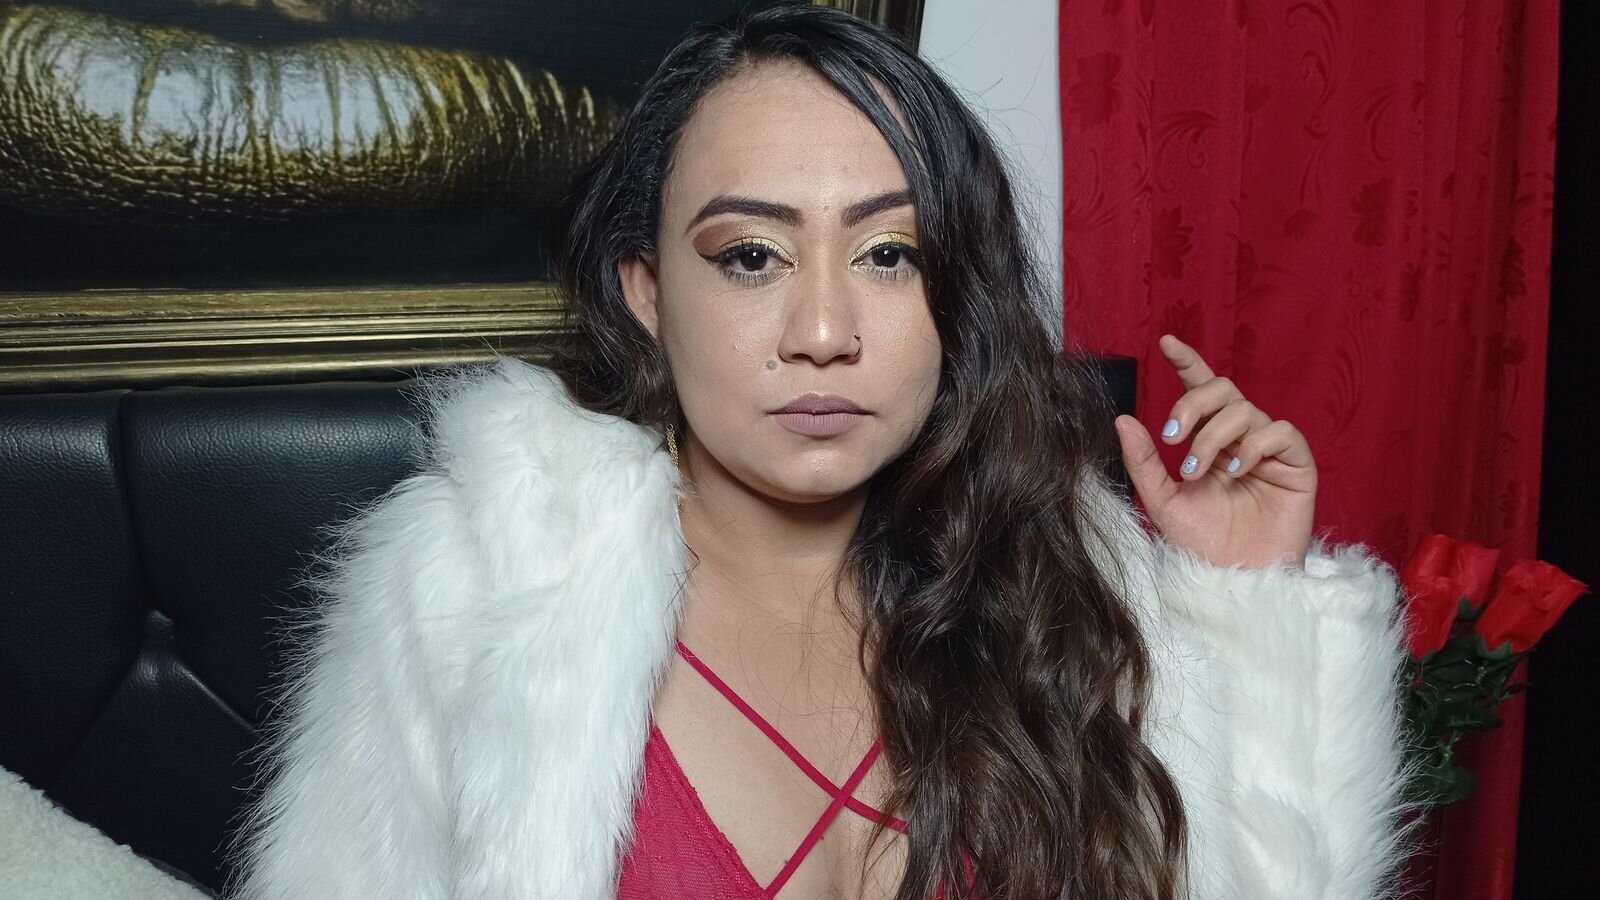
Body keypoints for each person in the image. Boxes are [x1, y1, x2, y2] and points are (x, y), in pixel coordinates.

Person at [221, 3, 1425, 899]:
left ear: (955, 295)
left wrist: (1244, 602)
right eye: (751, 256)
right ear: (647, 290)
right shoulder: (473, 591)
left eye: (889, 255)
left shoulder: (1069, 583)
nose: (822, 331)